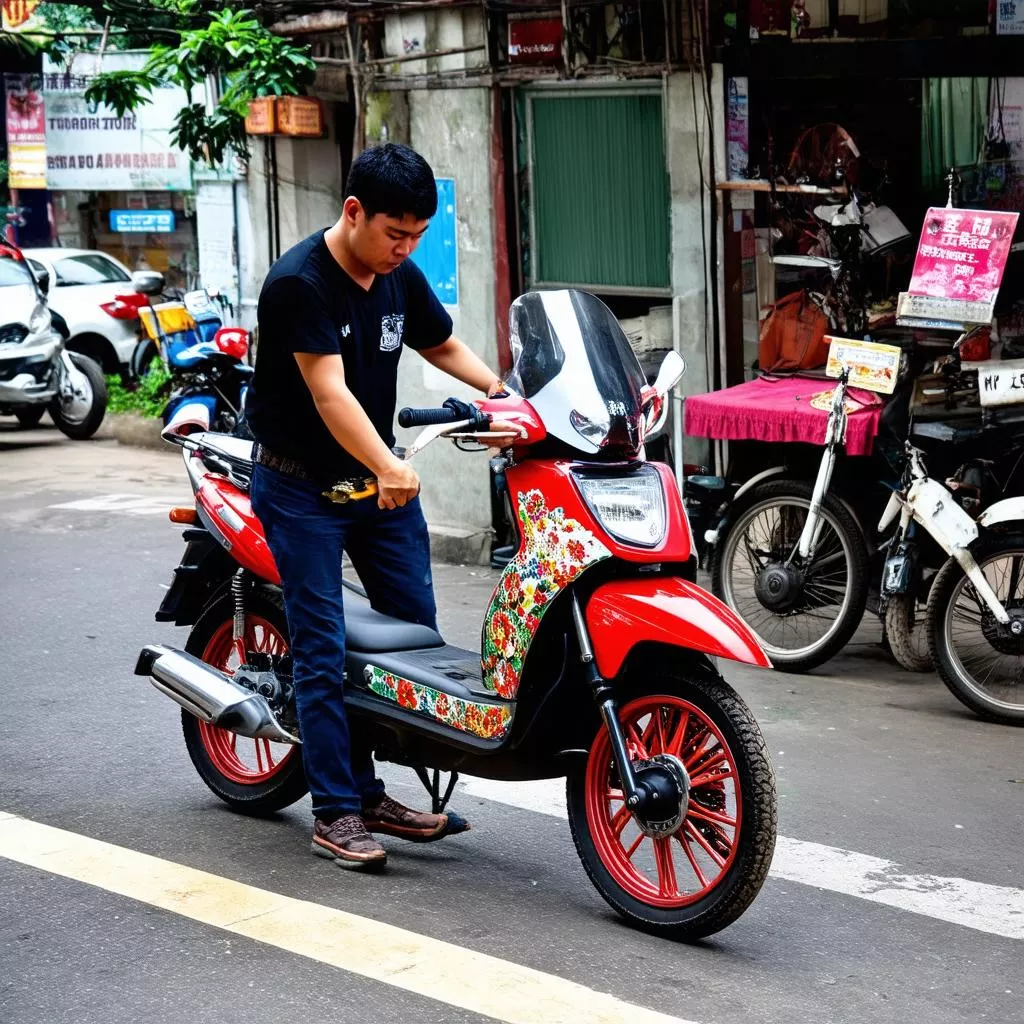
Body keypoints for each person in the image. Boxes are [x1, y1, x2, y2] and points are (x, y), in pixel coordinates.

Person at [245, 143, 512, 870]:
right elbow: (329, 392)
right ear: (354, 212)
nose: (406, 248)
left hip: (375, 484)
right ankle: (336, 810)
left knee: (412, 641)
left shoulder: (396, 274)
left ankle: (370, 790)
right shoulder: (300, 283)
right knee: (323, 650)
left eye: (418, 235)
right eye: (396, 233)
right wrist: (389, 462)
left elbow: (443, 344)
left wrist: (505, 399)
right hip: (304, 488)